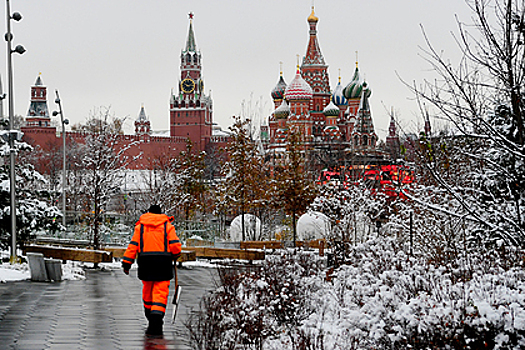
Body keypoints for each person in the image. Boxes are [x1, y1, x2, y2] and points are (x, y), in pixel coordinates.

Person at [122, 204, 182, 337]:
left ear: (148, 213)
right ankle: (156, 321)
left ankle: (150, 317)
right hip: (163, 263)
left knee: (148, 290)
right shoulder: (167, 226)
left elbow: (133, 245)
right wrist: (176, 254)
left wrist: (127, 263)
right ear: (161, 213)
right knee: (160, 292)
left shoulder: (140, 226)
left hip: (146, 262)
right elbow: (175, 246)